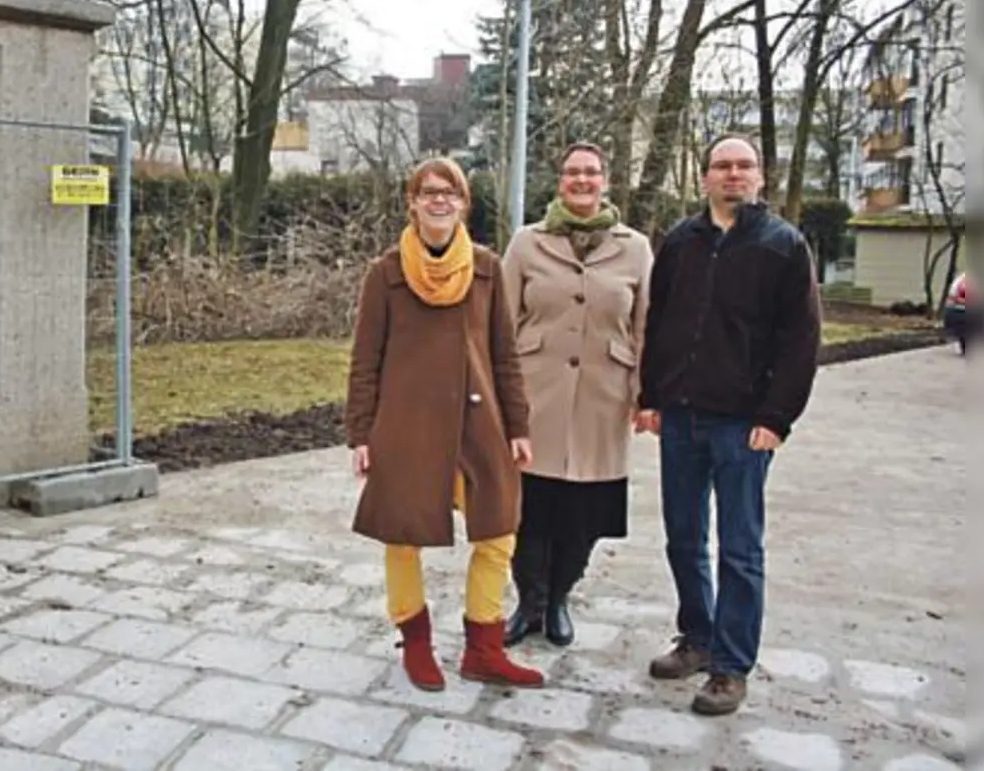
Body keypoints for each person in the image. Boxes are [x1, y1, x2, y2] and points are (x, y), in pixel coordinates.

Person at [635, 133, 822, 716]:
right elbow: (658, 321)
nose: (733, 175)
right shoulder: (681, 242)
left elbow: (801, 340)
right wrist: (650, 395)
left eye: (744, 166)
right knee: (684, 538)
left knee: (740, 548)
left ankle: (731, 666)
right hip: (682, 417)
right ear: (705, 176)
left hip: (743, 425)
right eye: (722, 166)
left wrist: (776, 417)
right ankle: (698, 636)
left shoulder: (783, 246)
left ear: (760, 176)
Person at [344, 156, 545, 692]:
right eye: (428, 191)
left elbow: (505, 354)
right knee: (402, 536)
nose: (439, 199)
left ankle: (484, 647)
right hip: (405, 427)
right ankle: (415, 643)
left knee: (499, 531)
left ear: (463, 203)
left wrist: (518, 425)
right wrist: (360, 434)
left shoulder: (485, 269)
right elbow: (365, 360)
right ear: (412, 202)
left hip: (479, 424)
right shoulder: (385, 274)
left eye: (449, 192)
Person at [500, 142, 653, 648]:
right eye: (572, 173)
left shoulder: (635, 247)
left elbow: (645, 325)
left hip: (602, 397)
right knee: (530, 508)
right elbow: (499, 322)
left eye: (591, 172)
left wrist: (643, 393)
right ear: (559, 180)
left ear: (605, 180)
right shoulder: (527, 242)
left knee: (583, 512)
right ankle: (529, 602)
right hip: (535, 392)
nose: (581, 181)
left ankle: (560, 598)